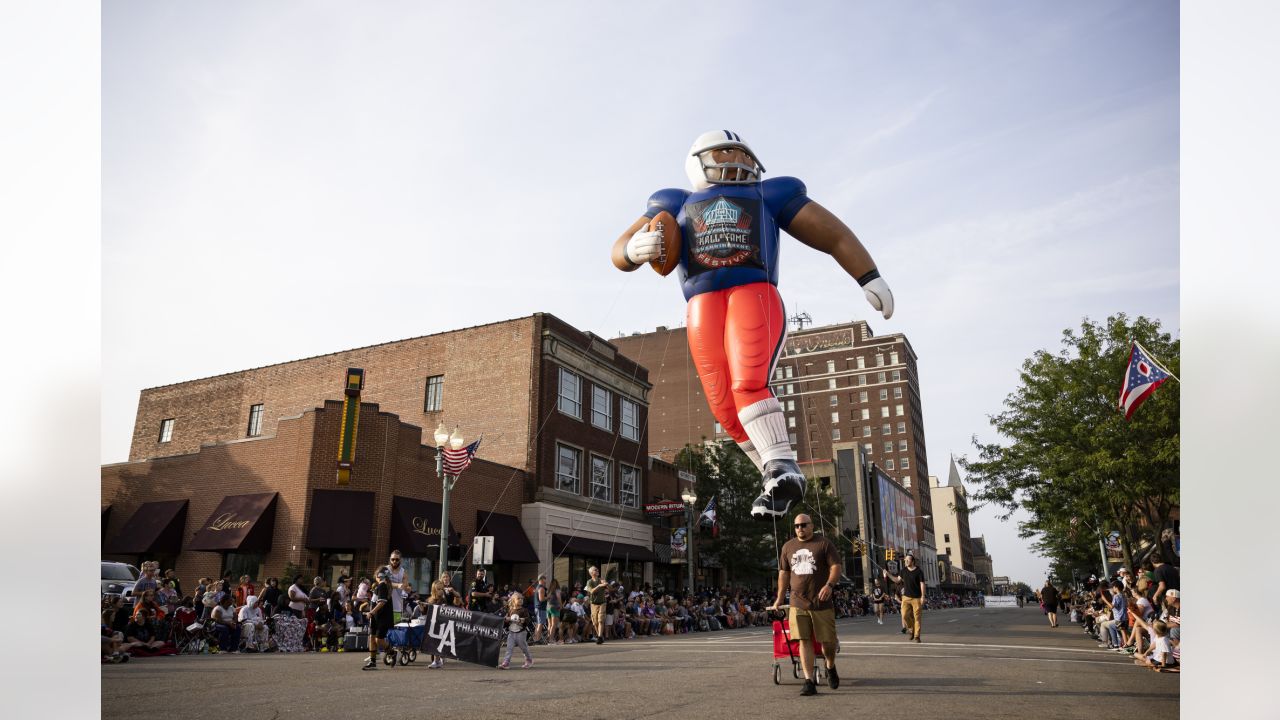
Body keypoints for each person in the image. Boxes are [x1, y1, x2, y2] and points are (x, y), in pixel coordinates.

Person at [613, 130, 894, 520]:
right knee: (723, 404)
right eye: (725, 152)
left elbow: (832, 234)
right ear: (698, 159)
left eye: (742, 154)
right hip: (700, 304)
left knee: (748, 380)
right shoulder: (672, 201)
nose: (738, 160)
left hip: (751, 290)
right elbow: (620, 249)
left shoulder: (770, 194)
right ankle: (773, 475)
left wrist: (867, 275)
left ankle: (783, 465)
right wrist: (634, 248)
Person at [769, 513, 842, 696]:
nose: (800, 528)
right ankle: (809, 681)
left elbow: (835, 567)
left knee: (828, 643)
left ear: (812, 526)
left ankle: (830, 665)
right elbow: (784, 574)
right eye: (796, 526)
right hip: (797, 602)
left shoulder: (824, 544)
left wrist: (829, 585)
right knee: (804, 640)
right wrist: (779, 598)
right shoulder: (788, 547)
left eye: (803, 525)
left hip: (821, 602)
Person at [884, 551, 927, 643]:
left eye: (908, 560)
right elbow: (897, 580)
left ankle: (917, 636)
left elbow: (922, 584)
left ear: (913, 561)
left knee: (917, 618)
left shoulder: (919, 571)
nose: (906, 562)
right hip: (906, 598)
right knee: (904, 616)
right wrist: (888, 574)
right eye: (905, 560)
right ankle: (911, 629)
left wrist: (923, 596)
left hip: (917, 598)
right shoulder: (903, 571)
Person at [362, 568, 394, 671]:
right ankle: (372, 662)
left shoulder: (382, 585)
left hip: (383, 617)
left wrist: (372, 612)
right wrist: (369, 610)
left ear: (379, 576)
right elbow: (375, 602)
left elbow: (382, 602)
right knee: (372, 637)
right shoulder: (378, 586)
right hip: (375, 617)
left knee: (379, 639)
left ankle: (392, 652)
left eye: (376, 575)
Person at [499, 593, 534, 669]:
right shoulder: (510, 610)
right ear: (513, 600)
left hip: (521, 633)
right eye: (518, 598)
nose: (521, 600)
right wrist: (506, 619)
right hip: (511, 633)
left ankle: (529, 660)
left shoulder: (524, 610)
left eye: (522, 599)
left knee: (524, 648)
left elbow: (528, 619)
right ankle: (506, 662)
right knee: (509, 648)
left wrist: (523, 620)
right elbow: (506, 621)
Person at [584, 566, 609, 645]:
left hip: (602, 602)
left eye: (597, 569)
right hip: (593, 604)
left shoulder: (601, 580)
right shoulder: (589, 582)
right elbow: (591, 591)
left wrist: (606, 584)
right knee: (595, 622)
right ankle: (600, 636)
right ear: (591, 573)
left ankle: (599, 637)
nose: (597, 570)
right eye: (595, 570)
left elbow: (610, 589)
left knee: (600, 620)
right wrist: (599, 586)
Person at [386, 550, 412, 623]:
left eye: (397, 559)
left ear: (400, 560)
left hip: (397, 606)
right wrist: (397, 585)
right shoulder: (385, 570)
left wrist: (407, 589)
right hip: (384, 604)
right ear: (390, 559)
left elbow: (405, 587)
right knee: (382, 631)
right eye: (392, 559)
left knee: (396, 627)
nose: (394, 561)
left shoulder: (404, 573)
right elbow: (384, 583)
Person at [530, 574, 548, 644]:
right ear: (541, 579)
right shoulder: (541, 588)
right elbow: (541, 599)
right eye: (545, 579)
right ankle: (537, 639)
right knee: (540, 624)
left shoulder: (537, 587)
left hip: (537, 607)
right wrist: (548, 597)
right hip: (540, 607)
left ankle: (536, 638)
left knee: (538, 623)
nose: (546, 580)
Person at [546, 578, 563, 644]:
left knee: (549, 624)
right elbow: (558, 598)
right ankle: (551, 639)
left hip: (548, 607)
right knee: (554, 625)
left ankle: (548, 638)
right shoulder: (557, 590)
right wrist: (561, 605)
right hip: (555, 607)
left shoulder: (549, 590)